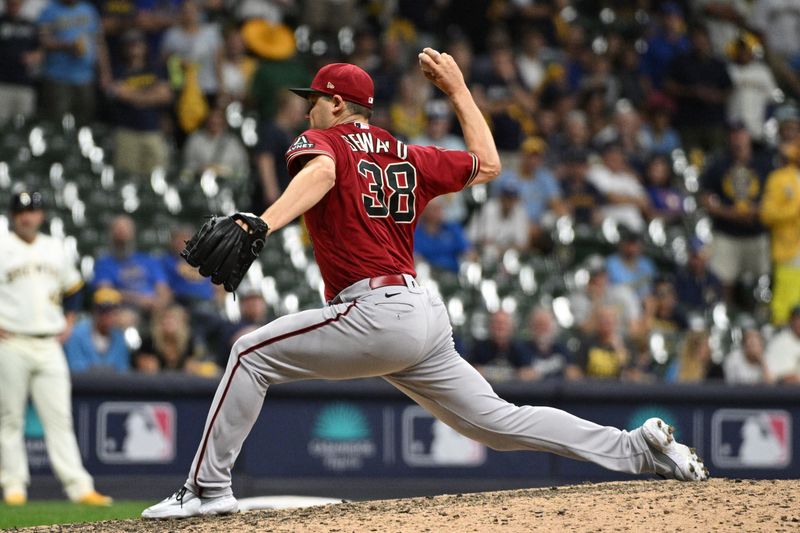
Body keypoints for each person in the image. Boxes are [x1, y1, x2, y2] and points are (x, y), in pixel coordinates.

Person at [142, 50, 707, 520]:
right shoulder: (409, 155)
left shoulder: (325, 143)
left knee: (248, 352)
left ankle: (205, 491)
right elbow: (488, 164)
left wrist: (265, 220)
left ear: (338, 103)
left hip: (375, 311)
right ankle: (638, 450)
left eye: (313, 99)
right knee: (497, 422)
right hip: (421, 313)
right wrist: (459, 89)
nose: (308, 109)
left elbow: (321, 173)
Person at [0, 189, 111, 506]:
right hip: (11, 341)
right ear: (12, 215)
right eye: (21, 211)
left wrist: (71, 320)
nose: (27, 216)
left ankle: (79, 487)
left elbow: (74, 288)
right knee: (9, 418)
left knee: (60, 418)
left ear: (41, 215)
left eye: (32, 210)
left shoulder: (55, 248)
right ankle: (14, 485)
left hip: (48, 343)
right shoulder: (2, 245)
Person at [108, 29, 172, 176]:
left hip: (153, 130)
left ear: (145, 47)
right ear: (123, 49)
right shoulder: (118, 71)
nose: (134, 47)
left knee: (157, 175)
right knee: (127, 176)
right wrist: (150, 96)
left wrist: (134, 96)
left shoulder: (156, 69)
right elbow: (118, 93)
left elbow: (166, 95)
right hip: (127, 131)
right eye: (130, 45)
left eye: (137, 44)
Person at [37, 0, 111, 125]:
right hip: (58, 76)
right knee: (58, 121)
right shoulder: (50, 10)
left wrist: (105, 72)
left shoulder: (89, 9)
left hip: (85, 76)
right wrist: (66, 45)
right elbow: (43, 40)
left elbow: (99, 42)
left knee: (84, 121)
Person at [93, 215, 171, 321]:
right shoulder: (104, 263)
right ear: (111, 234)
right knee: (125, 318)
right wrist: (140, 300)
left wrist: (159, 303)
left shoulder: (149, 260)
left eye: (125, 229)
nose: (122, 233)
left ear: (133, 233)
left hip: (155, 309)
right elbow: (105, 292)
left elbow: (163, 289)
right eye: (118, 229)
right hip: (123, 310)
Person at [64, 287, 130, 373]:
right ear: (94, 310)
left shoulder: (119, 338)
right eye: (103, 309)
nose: (107, 315)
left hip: (113, 385)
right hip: (83, 385)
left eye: (112, 310)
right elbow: (75, 367)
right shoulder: (76, 334)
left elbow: (123, 370)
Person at [0, 0, 41, 125]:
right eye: (11, 3)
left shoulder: (30, 25)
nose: (14, 6)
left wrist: (35, 56)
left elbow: (40, 49)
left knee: (23, 125)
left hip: (24, 83)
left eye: (17, 3)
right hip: (3, 83)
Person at [467, 310, 532, 382]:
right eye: (496, 323)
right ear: (490, 326)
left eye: (503, 323)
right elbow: (470, 372)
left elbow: (529, 373)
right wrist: (515, 374)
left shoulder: (520, 349)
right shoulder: (478, 348)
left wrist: (486, 372)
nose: (500, 327)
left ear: (511, 327)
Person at [764, 304, 800, 384]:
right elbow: (771, 378)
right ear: (791, 321)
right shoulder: (778, 342)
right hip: (782, 393)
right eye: (798, 319)